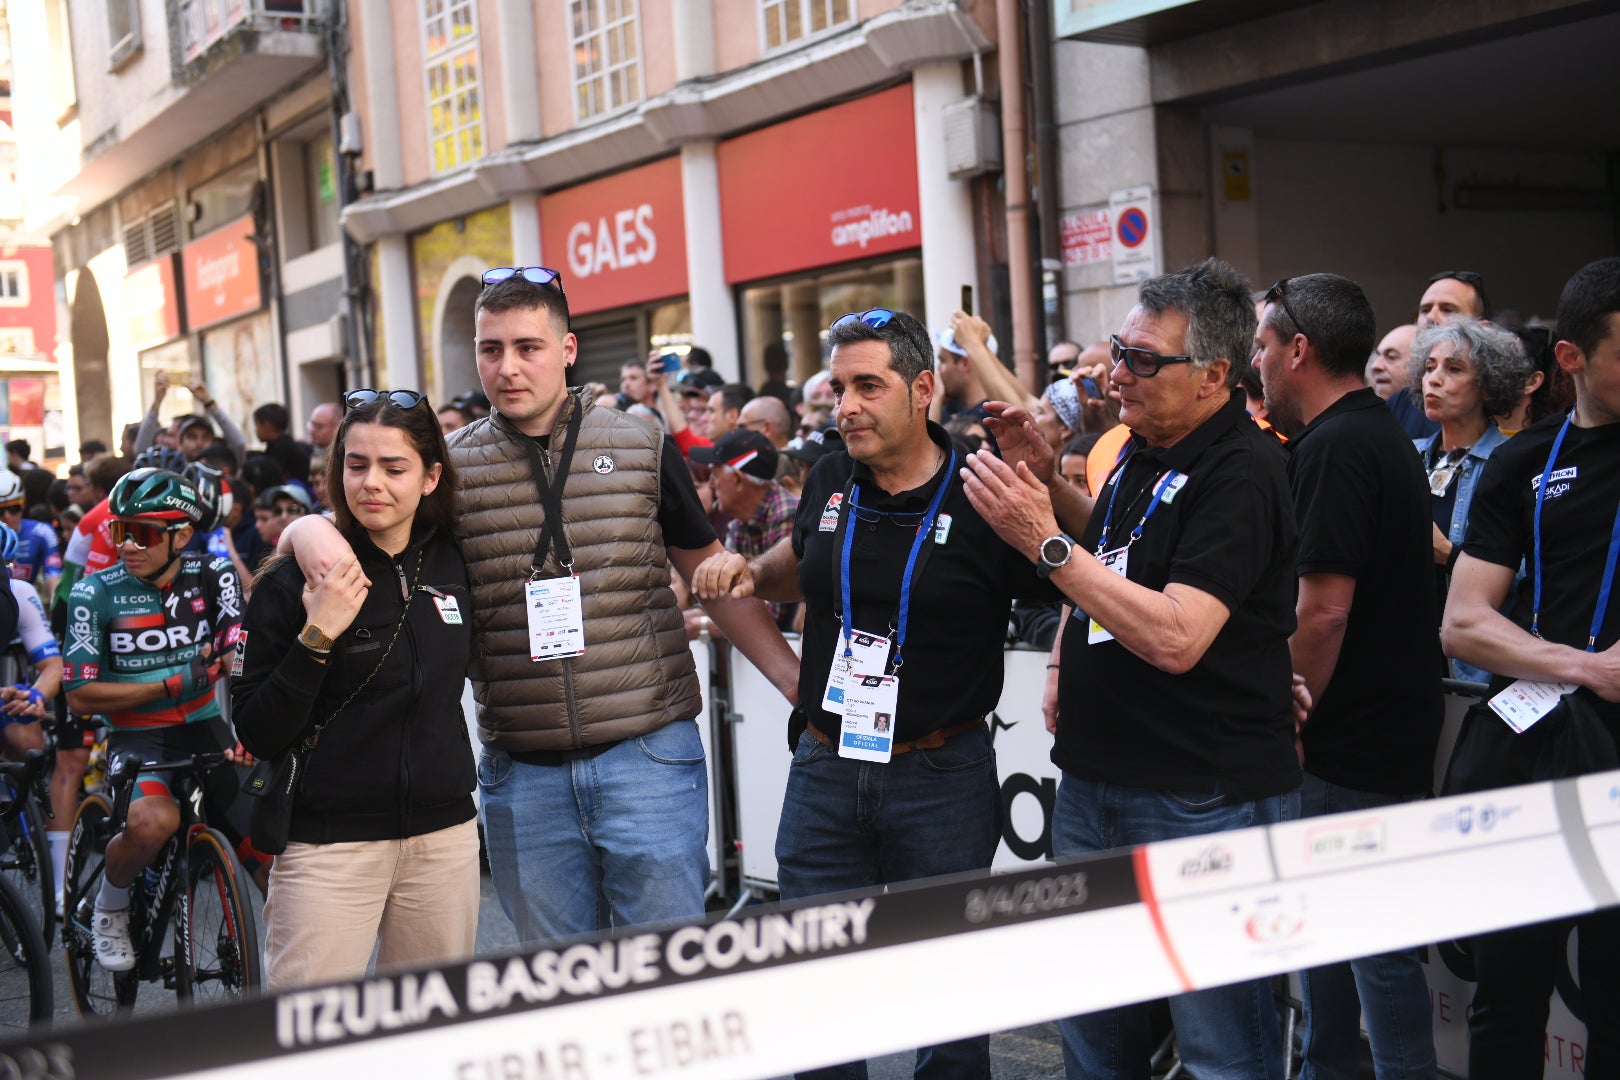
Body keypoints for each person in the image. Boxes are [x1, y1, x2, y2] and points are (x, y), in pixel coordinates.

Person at [282, 264, 798, 946]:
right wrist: (304, 527)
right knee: (559, 998)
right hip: (523, 775)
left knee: (670, 983)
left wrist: (796, 687)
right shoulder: (451, 467)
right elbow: (370, 533)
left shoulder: (642, 445)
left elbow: (709, 575)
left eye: (528, 347)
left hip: (647, 759)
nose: (508, 367)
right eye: (491, 349)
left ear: (567, 350)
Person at [692, 307, 1053, 1079]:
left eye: (867, 386)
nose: (845, 405)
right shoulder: (830, 474)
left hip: (941, 773)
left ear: (923, 389)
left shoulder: (985, 487)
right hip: (825, 767)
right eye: (837, 387)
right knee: (816, 993)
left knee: (949, 1004)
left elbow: (1067, 577)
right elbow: (806, 558)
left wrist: (1048, 484)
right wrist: (752, 573)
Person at [963, 258, 1301, 1079]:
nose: (1118, 373)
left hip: (1197, 794)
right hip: (1096, 781)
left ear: (1215, 376)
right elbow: (1112, 552)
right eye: (1120, 351)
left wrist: (1040, 539)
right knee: (1096, 1036)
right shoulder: (1146, 449)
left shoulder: (1244, 470)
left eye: (1145, 360)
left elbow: (1179, 635)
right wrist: (1045, 480)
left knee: (1221, 1046)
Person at [1252, 272, 1441, 1079]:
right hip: (1361, 735)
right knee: (1328, 942)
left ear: (1298, 350)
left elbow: (1322, 612)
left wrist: (1288, 717)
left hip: (1346, 746)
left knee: (1369, 949)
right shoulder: (1364, 435)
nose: (1253, 364)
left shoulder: (1339, 446)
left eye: (1261, 346)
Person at [1440, 256, 1620, 1079]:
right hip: (1542, 745)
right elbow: (1465, 623)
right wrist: (1587, 668)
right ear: (1573, 359)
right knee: (1507, 993)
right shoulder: (1525, 462)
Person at [233, 389, 478, 991]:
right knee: (311, 1043)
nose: (372, 483)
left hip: (443, 840)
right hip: (327, 846)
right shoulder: (295, 579)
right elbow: (257, 728)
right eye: (356, 464)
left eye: (394, 468)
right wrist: (318, 634)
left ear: (430, 477)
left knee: (432, 1035)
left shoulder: (456, 560)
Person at [62, 468, 246, 972]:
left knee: (267, 845)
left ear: (181, 535)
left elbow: (237, 649)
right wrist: (166, 686)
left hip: (205, 727)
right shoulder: (93, 592)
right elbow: (79, 696)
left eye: (141, 534)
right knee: (153, 822)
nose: (127, 545)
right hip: (136, 736)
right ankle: (109, 904)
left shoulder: (213, 573)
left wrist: (251, 727)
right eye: (120, 531)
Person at [1409, 319, 1534, 679]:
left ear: (1486, 385)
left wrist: (1448, 554)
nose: (1433, 378)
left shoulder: (1513, 462)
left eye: (1454, 368)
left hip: (1473, 668)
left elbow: (1533, 574)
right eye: (1429, 367)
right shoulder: (1408, 456)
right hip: (1405, 656)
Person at [689, 430, 799, 631]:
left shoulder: (787, 513)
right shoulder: (739, 522)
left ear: (738, 480)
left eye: (715, 474)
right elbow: (725, 597)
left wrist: (701, 625)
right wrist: (697, 616)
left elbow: (777, 615)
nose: (711, 484)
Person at [0, 470, 62, 607]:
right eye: (0, 511)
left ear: (23, 505)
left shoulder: (42, 531)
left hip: (27, 604)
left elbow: (53, 575)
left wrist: (55, 605)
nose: (7, 516)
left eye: (14, 508)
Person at [254, 403, 313, 491]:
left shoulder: (282, 448)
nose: (256, 430)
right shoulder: (279, 444)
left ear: (267, 425)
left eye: (257, 425)